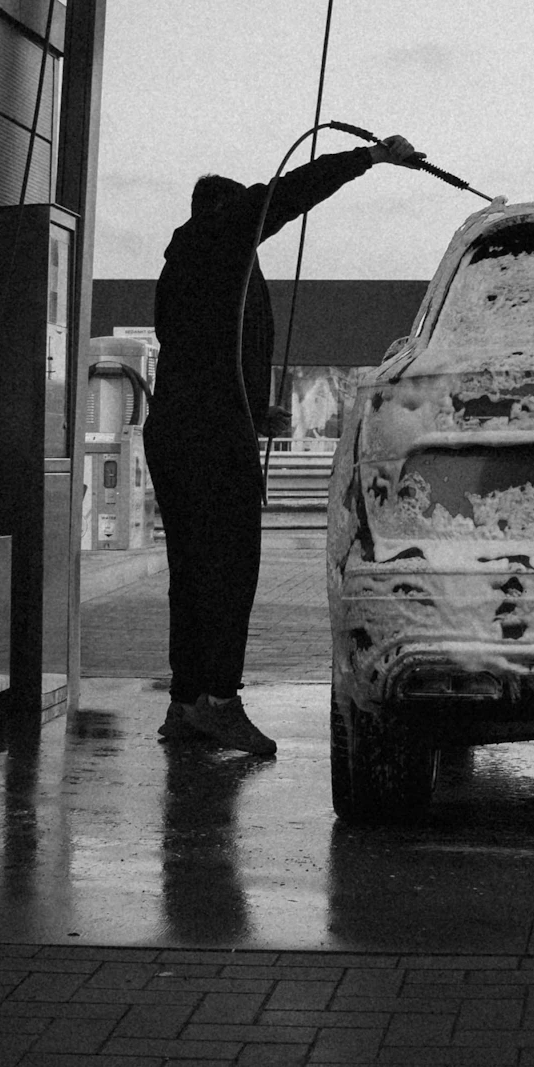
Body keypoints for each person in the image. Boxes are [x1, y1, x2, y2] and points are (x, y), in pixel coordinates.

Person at [143, 135, 424, 755]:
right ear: (226, 212)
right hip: (214, 436)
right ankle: (219, 701)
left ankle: (187, 703)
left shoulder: (180, 264)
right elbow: (291, 190)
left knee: (190, 572)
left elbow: (199, 353)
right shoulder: (223, 237)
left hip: (179, 429)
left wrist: (253, 404)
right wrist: (371, 157)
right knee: (232, 568)